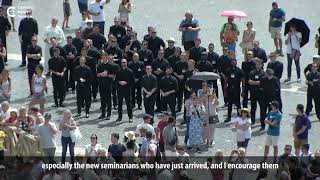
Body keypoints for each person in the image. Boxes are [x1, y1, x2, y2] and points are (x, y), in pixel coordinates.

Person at [97, 53, 116, 120]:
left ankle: (108, 114)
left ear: (107, 58)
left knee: (108, 99)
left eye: (105, 57)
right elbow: (97, 75)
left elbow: (114, 76)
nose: (104, 59)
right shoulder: (100, 66)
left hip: (108, 84)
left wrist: (107, 75)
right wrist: (101, 74)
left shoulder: (111, 65)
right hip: (101, 84)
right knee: (102, 99)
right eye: (102, 57)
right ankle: (103, 113)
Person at [248, 58, 266, 127]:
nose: (257, 65)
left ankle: (262, 122)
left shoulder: (263, 73)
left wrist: (254, 82)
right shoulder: (252, 72)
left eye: (259, 64)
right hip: (253, 93)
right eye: (257, 64)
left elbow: (262, 82)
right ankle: (252, 120)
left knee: (262, 108)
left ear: (261, 65)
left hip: (261, 94)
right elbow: (249, 81)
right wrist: (257, 82)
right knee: (253, 107)